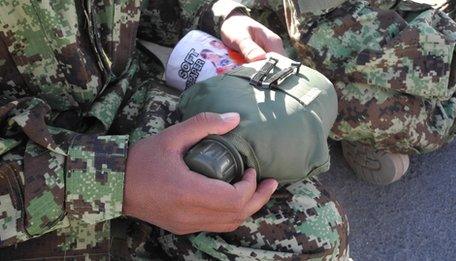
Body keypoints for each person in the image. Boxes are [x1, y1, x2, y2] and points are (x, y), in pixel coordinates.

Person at [0, 0, 348, 259]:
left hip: (124, 102)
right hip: (33, 195)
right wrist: (117, 182)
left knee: (314, 231)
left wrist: (221, 14)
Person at [235, 0, 456, 185]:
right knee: (415, 119)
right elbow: (332, 37)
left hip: (358, 29)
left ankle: (364, 133)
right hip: (299, 58)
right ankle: (347, 129)